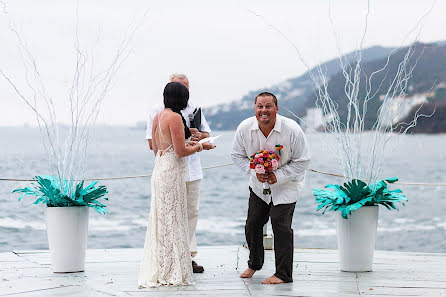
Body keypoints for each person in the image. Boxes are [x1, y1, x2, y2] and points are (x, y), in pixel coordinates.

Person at [138, 82, 215, 288]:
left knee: (162, 220)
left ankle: (163, 265)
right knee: (175, 220)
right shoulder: (174, 117)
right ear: (182, 98)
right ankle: (172, 269)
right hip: (172, 174)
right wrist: (200, 145)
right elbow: (180, 152)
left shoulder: (159, 116)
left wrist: (184, 145)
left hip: (160, 169)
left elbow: (156, 147)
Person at [231, 92, 310, 284]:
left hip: (287, 184)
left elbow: (303, 161)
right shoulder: (245, 128)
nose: (264, 111)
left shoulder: (292, 130)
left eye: (268, 106)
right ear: (255, 109)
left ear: (276, 108)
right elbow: (236, 155)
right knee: (253, 224)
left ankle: (283, 274)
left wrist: (279, 176)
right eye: (260, 106)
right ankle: (254, 263)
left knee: (280, 224)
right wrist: (254, 172)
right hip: (258, 185)